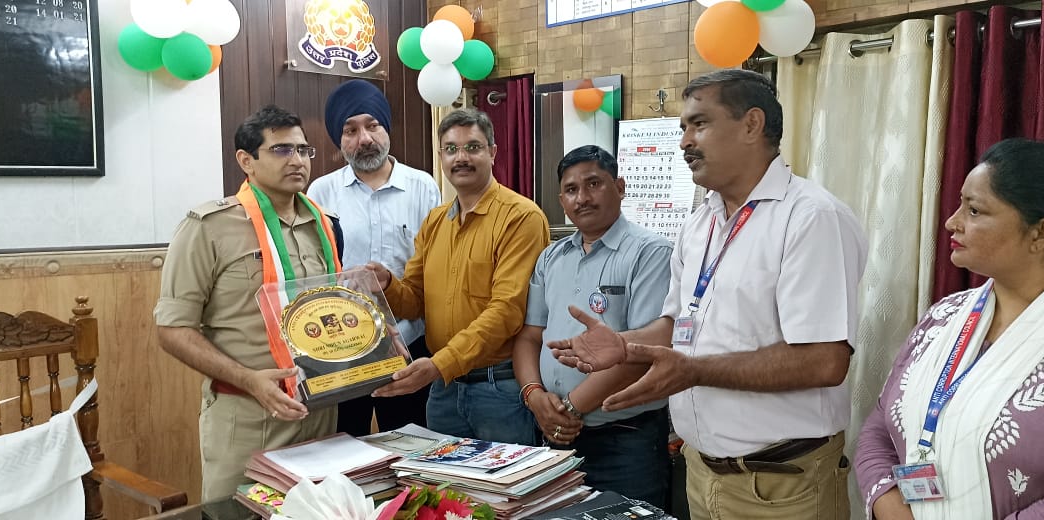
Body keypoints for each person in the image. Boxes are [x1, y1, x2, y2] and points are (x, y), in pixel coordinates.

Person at [548, 69, 868, 519]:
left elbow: (824, 360)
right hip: (702, 474)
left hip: (781, 483)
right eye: (683, 128)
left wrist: (694, 371)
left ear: (751, 124)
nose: (684, 142)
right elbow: (677, 325)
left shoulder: (810, 218)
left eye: (699, 124)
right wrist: (626, 346)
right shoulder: (701, 223)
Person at [855, 139, 1044, 519]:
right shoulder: (946, 315)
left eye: (974, 210)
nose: (952, 222)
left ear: (1041, 233)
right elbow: (878, 431)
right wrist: (895, 510)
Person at [155, 105, 340, 500]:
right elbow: (172, 329)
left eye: (303, 150)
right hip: (248, 415)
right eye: (281, 150)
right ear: (246, 160)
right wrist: (248, 380)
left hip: (319, 412)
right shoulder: (209, 228)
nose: (297, 160)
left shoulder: (322, 224)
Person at [367, 109, 550, 445]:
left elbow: (507, 311)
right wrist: (388, 284)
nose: (461, 158)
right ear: (440, 157)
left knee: (503, 480)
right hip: (444, 391)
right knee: (444, 479)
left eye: (473, 147)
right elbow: (414, 302)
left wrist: (440, 364)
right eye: (451, 149)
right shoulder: (435, 222)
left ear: (493, 152)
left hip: (499, 389)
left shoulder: (521, 218)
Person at [512, 145, 673, 507]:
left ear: (620, 187)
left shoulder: (650, 252)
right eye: (571, 190)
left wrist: (569, 409)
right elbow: (529, 336)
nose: (582, 198)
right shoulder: (551, 257)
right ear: (561, 200)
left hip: (624, 439)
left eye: (594, 184)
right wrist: (535, 397)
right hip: (553, 434)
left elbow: (644, 353)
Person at [307, 80, 441, 436]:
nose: (364, 138)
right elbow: (317, 269)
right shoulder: (322, 191)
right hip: (344, 346)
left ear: (386, 129)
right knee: (345, 444)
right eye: (350, 130)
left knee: (412, 443)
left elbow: (434, 267)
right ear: (339, 140)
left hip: (410, 343)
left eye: (372, 125)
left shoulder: (423, 186)